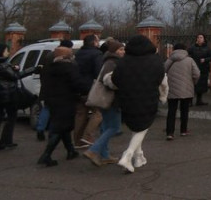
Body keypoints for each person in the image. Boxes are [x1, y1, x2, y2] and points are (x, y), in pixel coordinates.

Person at [109, 35, 166, 174]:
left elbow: (115, 79)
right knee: (143, 127)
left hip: (127, 98)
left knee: (137, 126)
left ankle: (138, 158)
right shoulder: (156, 60)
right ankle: (127, 155)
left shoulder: (124, 61)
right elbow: (161, 79)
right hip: (148, 97)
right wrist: (163, 95)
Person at [37, 46, 81, 167]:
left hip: (52, 100)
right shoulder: (70, 68)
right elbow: (76, 83)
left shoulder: (50, 67)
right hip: (66, 100)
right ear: (67, 56)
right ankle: (46, 155)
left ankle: (71, 151)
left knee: (64, 127)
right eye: (71, 54)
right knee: (60, 127)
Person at [83, 40, 125, 166]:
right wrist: (121, 85)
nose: (123, 52)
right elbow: (108, 80)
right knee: (114, 127)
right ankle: (93, 150)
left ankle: (105, 155)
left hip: (106, 100)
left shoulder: (108, 61)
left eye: (123, 49)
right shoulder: (112, 62)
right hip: (110, 100)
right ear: (113, 51)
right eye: (120, 50)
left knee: (106, 127)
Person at [0, 43, 35, 150]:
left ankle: (6, 141)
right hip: (7, 94)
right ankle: (5, 141)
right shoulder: (3, 65)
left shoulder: (5, 64)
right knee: (10, 118)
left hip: (4, 94)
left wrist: (14, 68)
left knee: (4, 117)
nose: (8, 52)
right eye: (6, 50)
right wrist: (32, 69)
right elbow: (15, 76)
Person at [35, 39, 73, 141]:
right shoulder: (63, 57)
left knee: (46, 109)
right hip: (58, 88)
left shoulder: (48, 55)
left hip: (46, 86)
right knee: (56, 112)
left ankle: (40, 129)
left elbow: (40, 70)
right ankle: (53, 132)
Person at [164, 43, 199, 140]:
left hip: (172, 88)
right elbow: (197, 74)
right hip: (186, 89)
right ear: (185, 49)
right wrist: (193, 83)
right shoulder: (190, 60)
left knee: (171, 111)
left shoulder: (169, 60)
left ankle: (170, 132)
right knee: (184, 110)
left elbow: (163, 71)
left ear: (174, 49)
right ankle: (183, 130)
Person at [74, 34, 103, 148]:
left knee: (81, 114)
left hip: (78, 87)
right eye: (97, 40)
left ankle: (77, 141)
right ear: (94, 42)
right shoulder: (96, 54)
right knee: (98, 113)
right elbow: (98, 72)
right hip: (90, 87)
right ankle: (88, 136)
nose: (99, 42)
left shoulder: (78, 53)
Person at [188, 34, 211, 106]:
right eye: (198, 37)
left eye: (201, 37)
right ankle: (190, 101)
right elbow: (187, 55)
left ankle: (199, 100)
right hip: (193, 68)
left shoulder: (207, 48)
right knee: (192, 85)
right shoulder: (192, 48)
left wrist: (205, 59)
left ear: (204, 39)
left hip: (203, 69)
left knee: (201, 86)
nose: (199, 39)